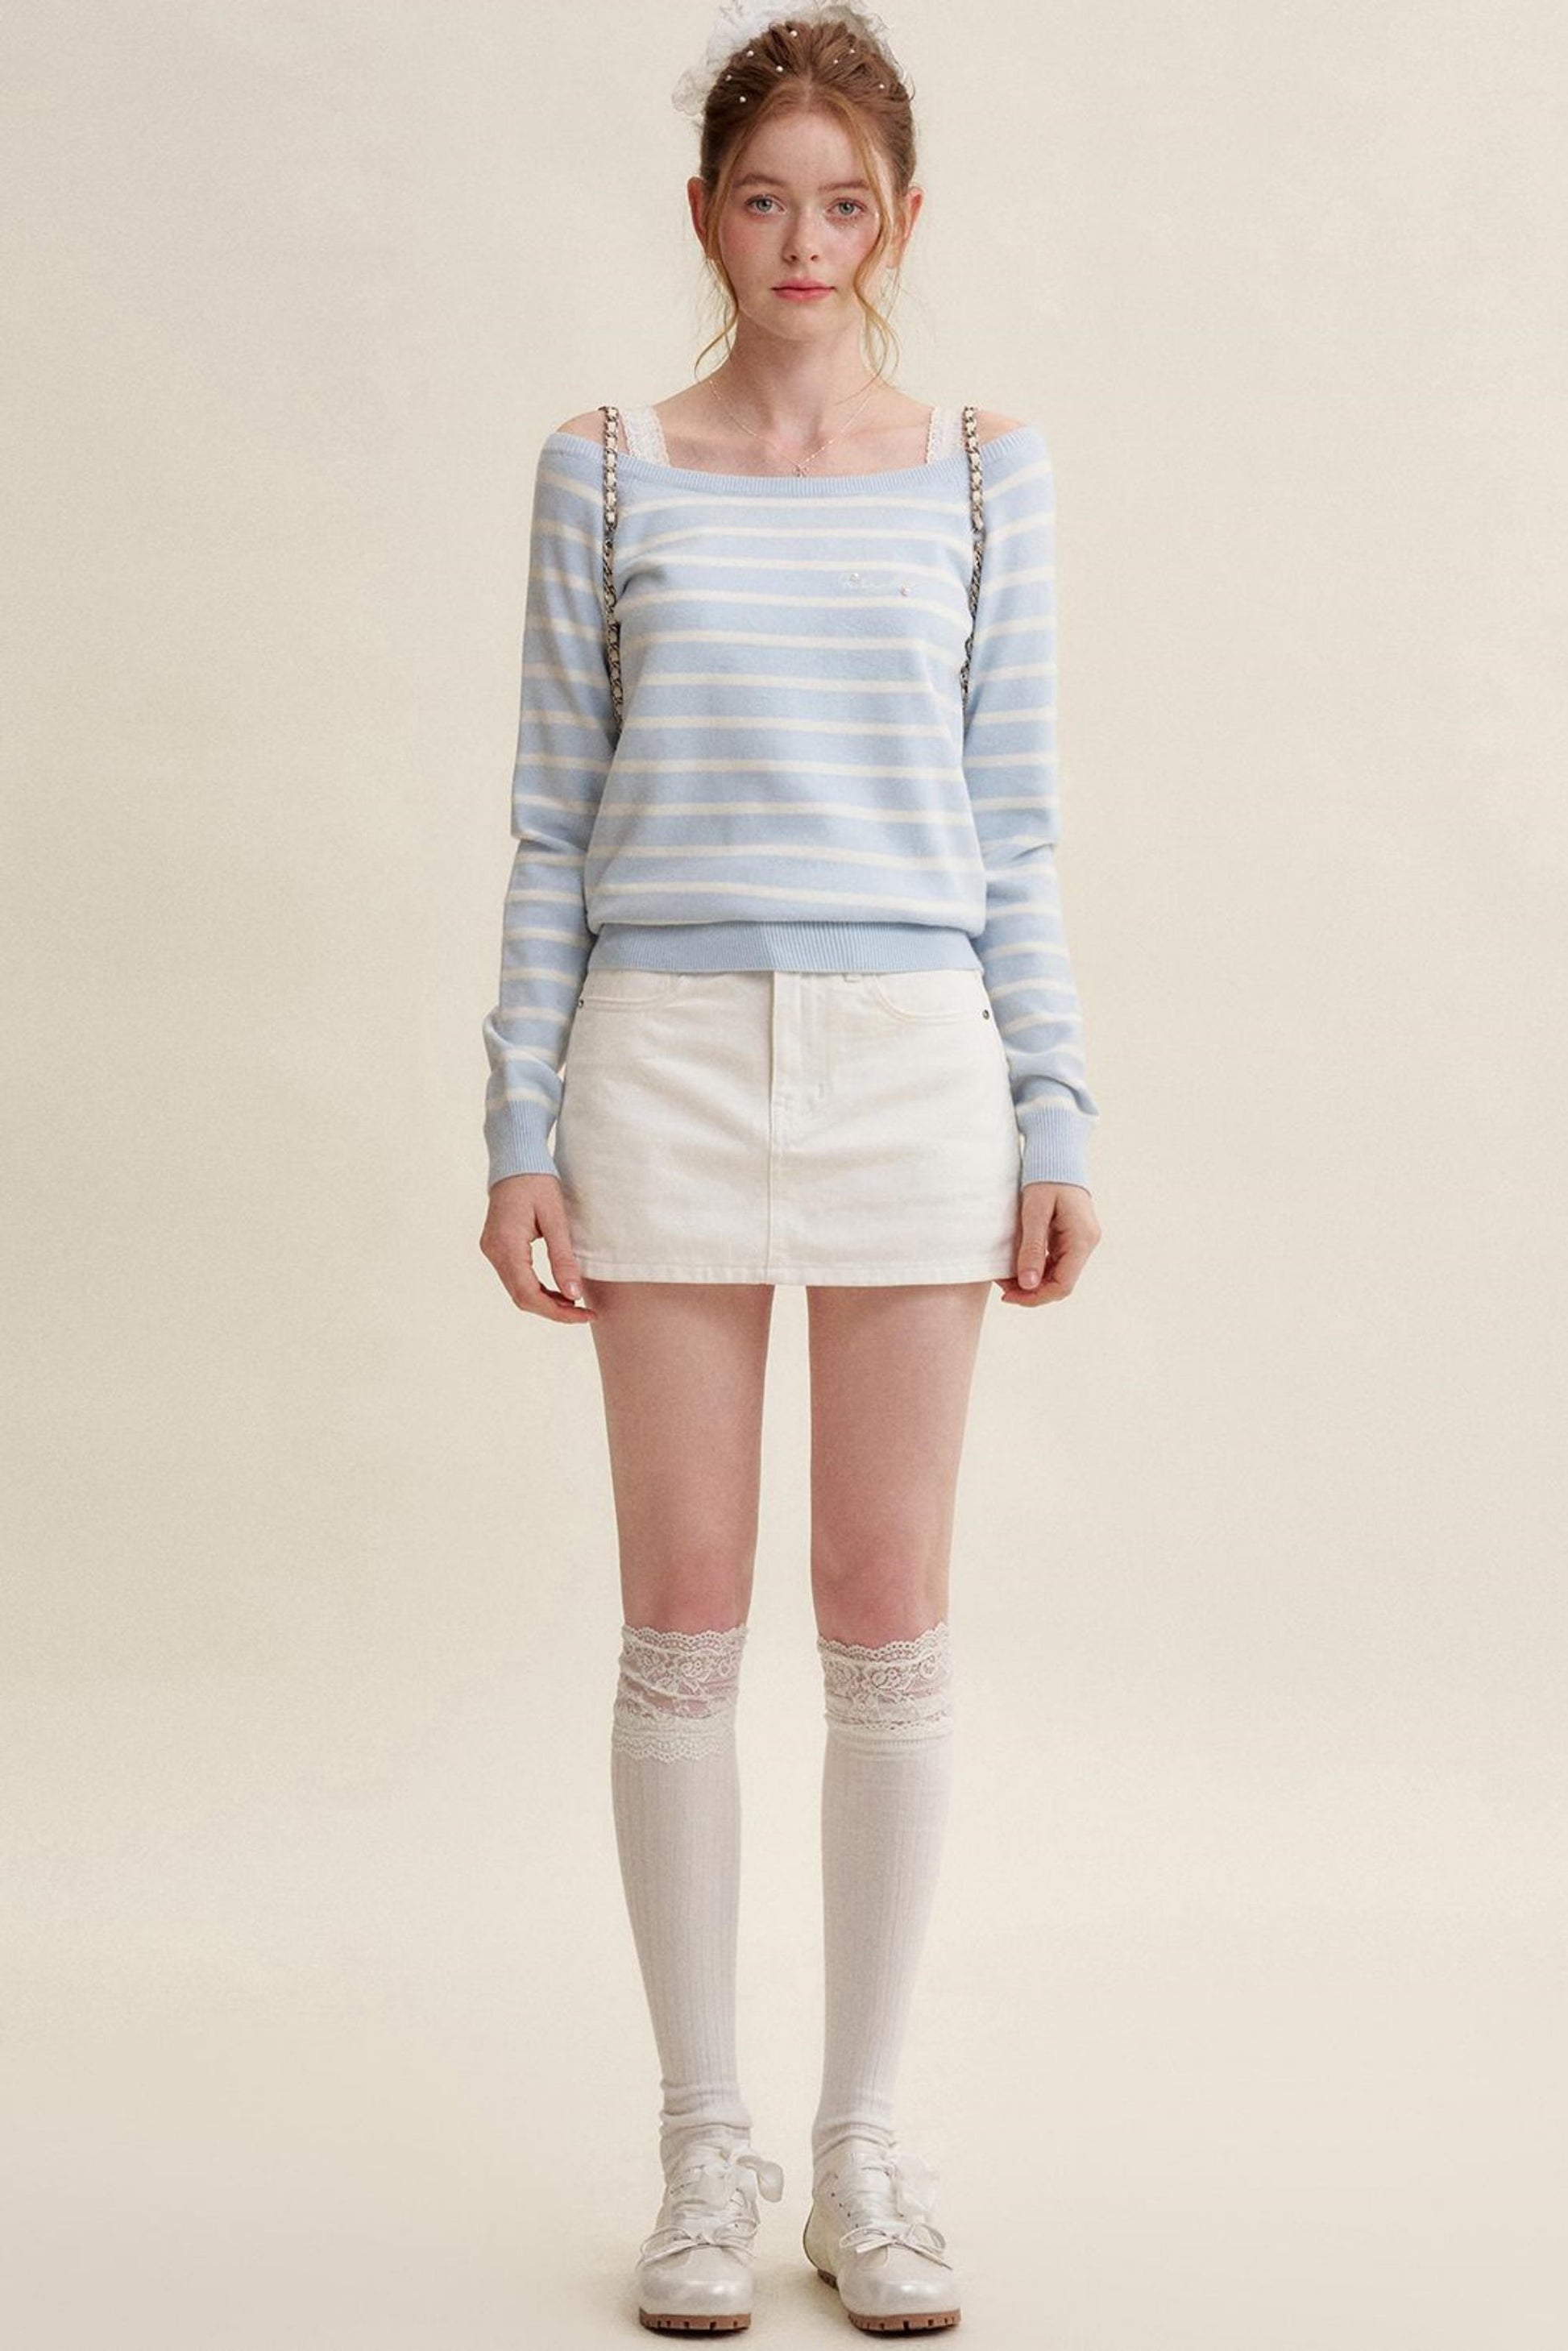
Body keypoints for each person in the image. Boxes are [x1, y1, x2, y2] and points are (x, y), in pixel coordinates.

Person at [478, 3, 1102, 2332]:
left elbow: (1015, 827)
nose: (804, 240)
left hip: (913, 1063)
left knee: (883, 1601)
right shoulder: (604, 469)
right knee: (682, 1613)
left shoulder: (984, 474)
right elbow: (551, 825)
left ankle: (863, 2150)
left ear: (901, 219)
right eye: (765, 198)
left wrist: (1052, 1106)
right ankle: (699, 2155)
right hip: (655, 1057)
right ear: (706, 214)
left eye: (845, 203)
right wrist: (516, 1127)